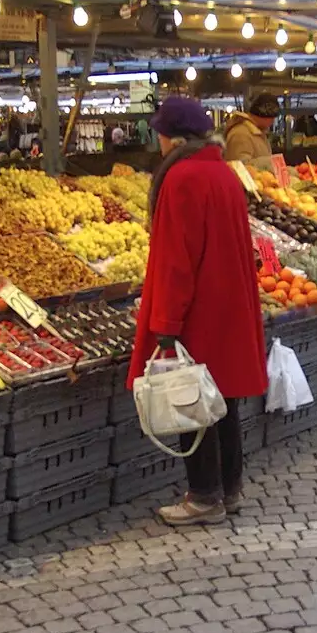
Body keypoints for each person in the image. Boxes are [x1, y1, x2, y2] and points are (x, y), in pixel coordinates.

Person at [127, 96, 267, 527]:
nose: (160, 142)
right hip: (228, 305)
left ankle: (204, 495)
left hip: (199, 312)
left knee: (191, 399)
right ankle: (230, 488)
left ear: (175, 137)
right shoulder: (223, 173)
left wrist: (165, 324)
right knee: (222, 401)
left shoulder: (182, 178)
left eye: (161, 134)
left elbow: (175, 258)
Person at [222, 93, 281, 170]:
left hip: (258, 181)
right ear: (264, 116)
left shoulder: (256, 132)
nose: (272, 122)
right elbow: (240, 167)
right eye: (272, 118)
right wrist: (270, 163)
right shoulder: (241, 134)